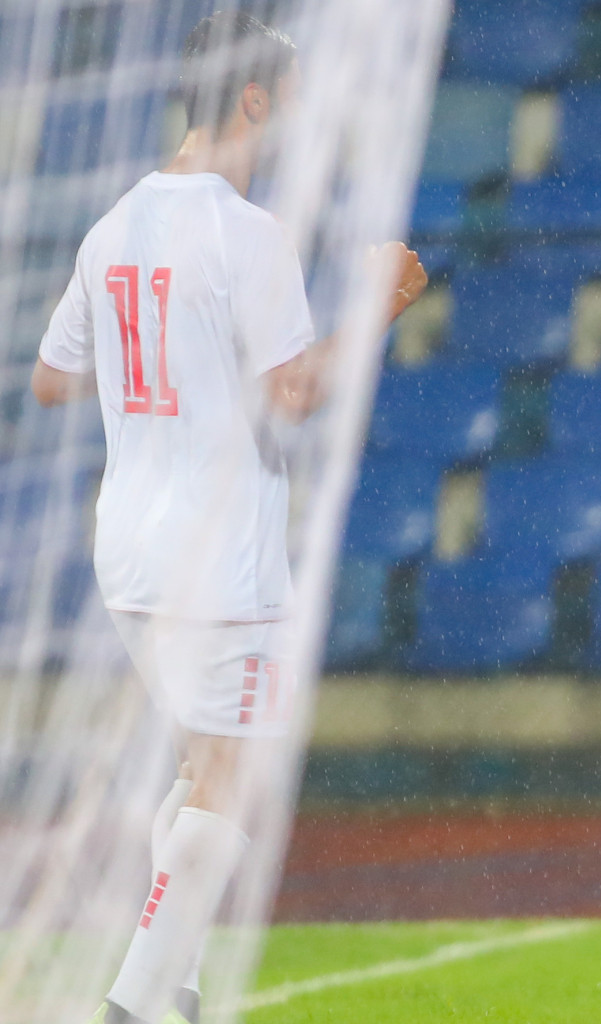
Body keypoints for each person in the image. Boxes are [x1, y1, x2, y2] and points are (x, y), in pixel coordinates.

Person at [31, 13, 427, 1024]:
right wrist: (382, 299)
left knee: (196, 768)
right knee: (228, 786)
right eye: (285, 99)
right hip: (217, 551)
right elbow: (295, 392)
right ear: (252, 101)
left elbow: (48, 379)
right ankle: (128, 1002)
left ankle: (181, 993)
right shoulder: (245, 231)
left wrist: (156, 374)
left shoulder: (111, 224)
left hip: (127, 546)